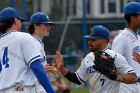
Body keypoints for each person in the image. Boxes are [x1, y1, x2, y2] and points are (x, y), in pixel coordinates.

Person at [55, 25, 138, 93]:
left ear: (104, 41)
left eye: (93, 39)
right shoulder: (88, 58)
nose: (89, 42)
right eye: (89, 39)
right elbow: (77, 79)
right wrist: (62, 69)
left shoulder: (115, 57)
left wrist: (116, 77)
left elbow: (133, 78)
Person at [0, 7, 54, 93]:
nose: (21, 23)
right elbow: (37, 68)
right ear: (15, 20)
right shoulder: (24, 37)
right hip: (20, 89)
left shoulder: (1, 42)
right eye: (20, 20)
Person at [28, 12, 69, 93]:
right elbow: (32, 69)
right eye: (46, 25)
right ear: (36, 25)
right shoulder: (32, 43)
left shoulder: (37, 43)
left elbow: (37, 68)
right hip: (32, 87)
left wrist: (50, 69)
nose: (49, 27)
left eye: (49, 25)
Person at [112, 2, 140, 93]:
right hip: (126, 87)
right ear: (132, 18)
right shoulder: (121, 38)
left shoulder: (138, 37)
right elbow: (113, 63)